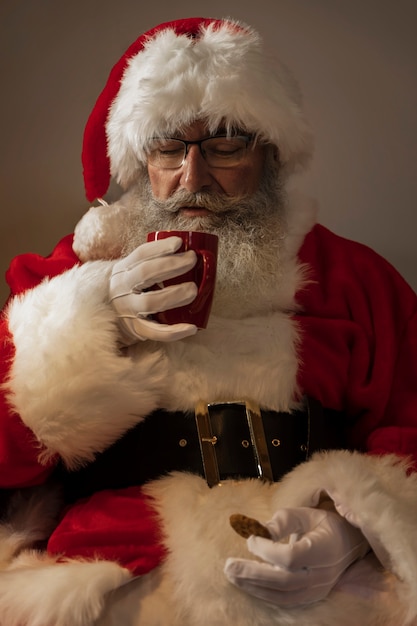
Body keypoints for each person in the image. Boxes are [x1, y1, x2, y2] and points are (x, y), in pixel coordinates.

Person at [0, 15, 416, 626]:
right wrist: (86, 317)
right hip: (115, 577)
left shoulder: (354, 278)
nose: (192, 177)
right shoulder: (63, 274)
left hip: (312, 578)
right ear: (141, 162)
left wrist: (356, 527)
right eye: (169, 148)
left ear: (269, 154)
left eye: (224, 146)